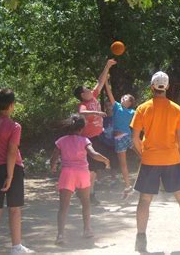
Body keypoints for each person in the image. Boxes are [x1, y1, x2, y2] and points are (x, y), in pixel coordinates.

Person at [130, 71, 180, 252]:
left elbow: (135, 137)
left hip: (150, 159)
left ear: (152, 86)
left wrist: (142, 153)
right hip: (172, 159)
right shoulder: (176, 109)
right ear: (167, 87)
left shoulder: (142, 108)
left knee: (144, 200)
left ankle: (141, 239)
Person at [0, 89, 34, 255]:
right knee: (14, 208)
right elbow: (12, 150)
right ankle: (16, 247)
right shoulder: (15, 126)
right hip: (14, 169)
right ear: (12, 105)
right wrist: (10, 175)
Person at [50, 114, 110, 245]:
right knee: (86, 203)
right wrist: (105, 160)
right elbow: (93, 154)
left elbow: (54, 157)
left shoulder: (61, 140)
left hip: (67, 173)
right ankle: (87, 229)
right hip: (82, 173)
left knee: (63, 207)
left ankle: (60, 235)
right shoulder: (85, 140)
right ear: (82, 128)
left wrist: (53, 166)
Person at [74, 58, 116, 205]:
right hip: (89, 140)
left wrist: (107, 66)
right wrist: (97, 113)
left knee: (95, 169)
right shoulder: (83, 105)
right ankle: (88, 194)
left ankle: (86, 192)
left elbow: (101, 81)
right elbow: (83, 113)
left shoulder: (93, 97)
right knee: (92, 169)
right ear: (82, 95)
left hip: (98, 138)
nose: (89, 90)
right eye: (86, 90)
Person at [104, 79, 135, 198]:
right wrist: (106, 82)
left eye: (126, 98)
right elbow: (109, 93)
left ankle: (156, 177)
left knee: (144, 155)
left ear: (130, 102)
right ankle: (128, 187)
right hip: (119, 139)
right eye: (123, 97)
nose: (123, 98)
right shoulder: (116, 106)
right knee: (123, 164)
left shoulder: (133, 111)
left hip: (128, 136)